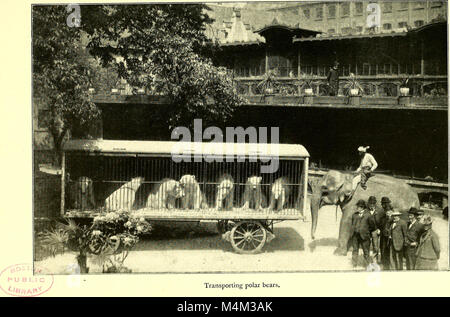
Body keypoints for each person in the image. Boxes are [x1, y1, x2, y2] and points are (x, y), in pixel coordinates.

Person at [351, 199, 376, 268]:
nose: (357, 208)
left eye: (358, 207)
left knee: (366, 251)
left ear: (362, 207)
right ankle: (354, 265)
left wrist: (367, 232)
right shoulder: (354, 215)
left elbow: (373, 226)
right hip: (355, 236)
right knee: (355, 250)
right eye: (357, 207)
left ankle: (367, 266)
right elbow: (353, 224)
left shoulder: (368, 215)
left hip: (365, 236)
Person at [379, 198, 393, 269]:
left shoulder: (393, 219)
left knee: (388, 250)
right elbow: (381, 225)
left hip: (390, 237)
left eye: (389, 212)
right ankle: (384, 263)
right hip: (383, 236)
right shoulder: (383, 218)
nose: (387, 213)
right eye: (387, 212)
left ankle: (388, 264)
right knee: (382, 249)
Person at [367, 196, 381, 262]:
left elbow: (381, 222)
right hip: (368, 231)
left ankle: (375, 260)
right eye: (370, 203)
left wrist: (379, 229)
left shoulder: (379, 211)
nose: (372, 205)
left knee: (375, 246)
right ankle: (367, 261)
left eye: (373, 203)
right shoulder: (366, 211)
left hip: (375, 231)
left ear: (375, 204)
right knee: (367, 245)